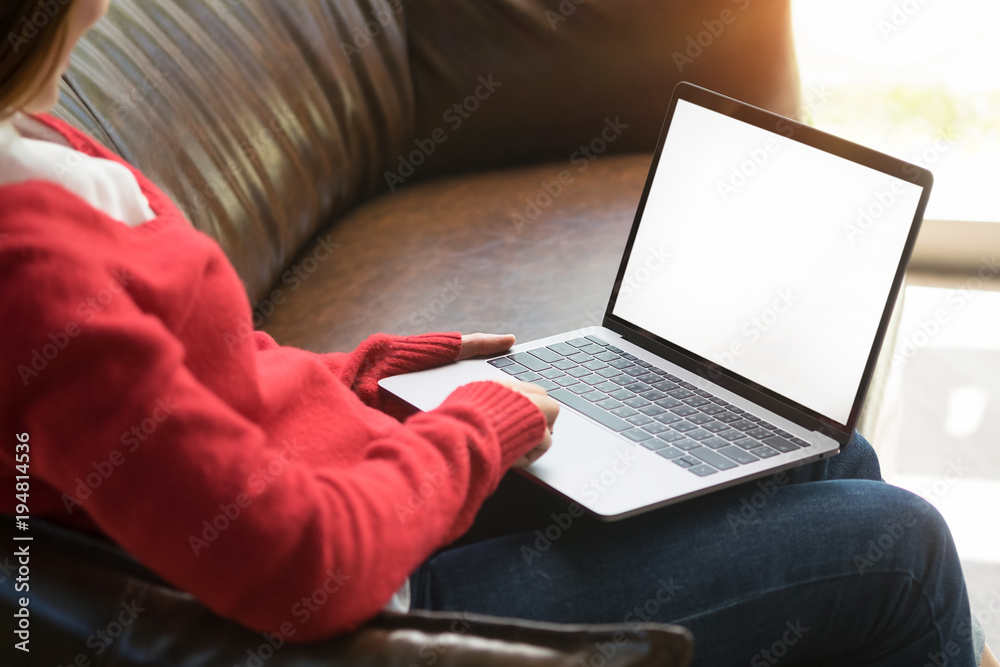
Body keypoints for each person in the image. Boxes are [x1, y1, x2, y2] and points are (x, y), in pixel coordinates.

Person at [0, 1, 994, 665]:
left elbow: (197, 377)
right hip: (388, 597)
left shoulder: (32, 140)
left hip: (365, 479)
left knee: (827, 454)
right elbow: (301, 564)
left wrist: (366, 372)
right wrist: (477, 425)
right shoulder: (32, 266)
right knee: (901, 547)